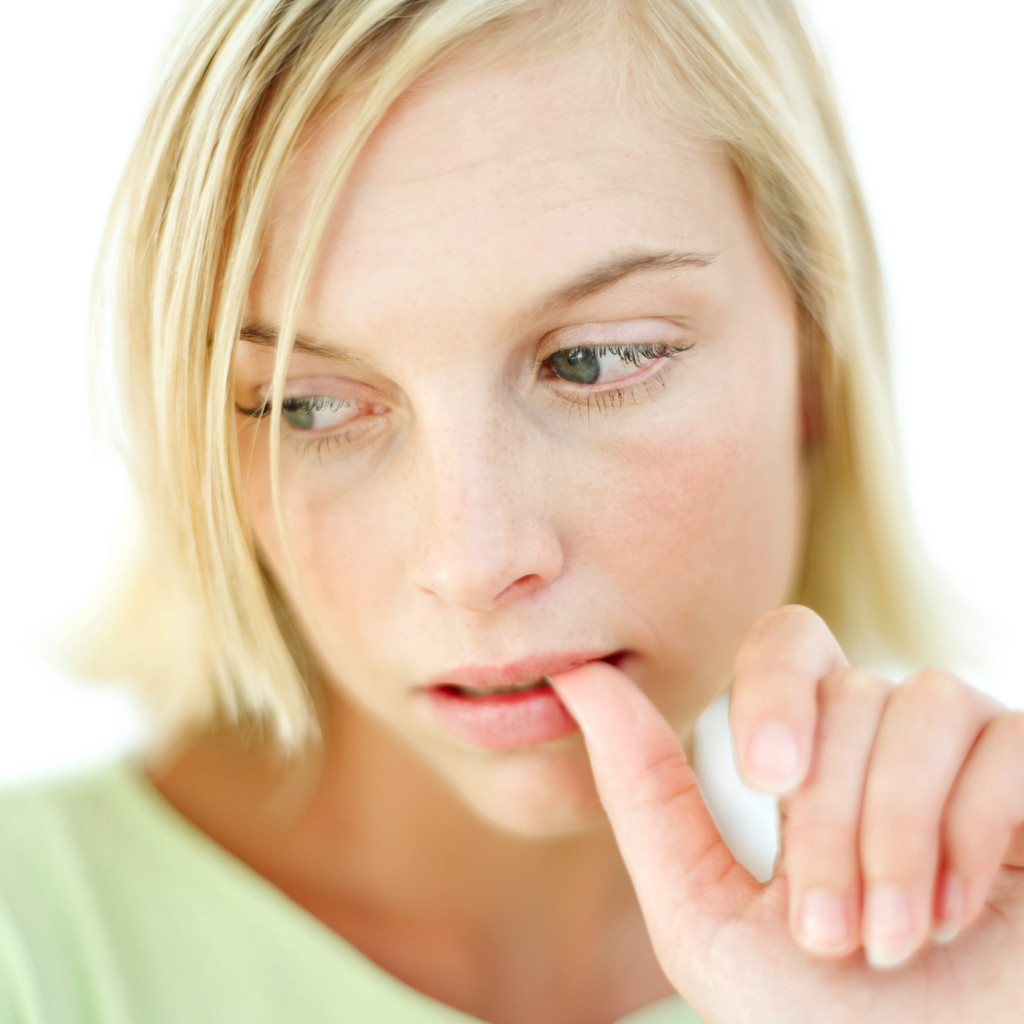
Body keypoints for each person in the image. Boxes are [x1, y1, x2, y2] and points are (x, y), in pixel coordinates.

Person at [1, 0, 1021, 1021]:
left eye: (595, 360)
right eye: (309, 407)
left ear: (814, 355)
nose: (472, 558)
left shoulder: (928, 969)